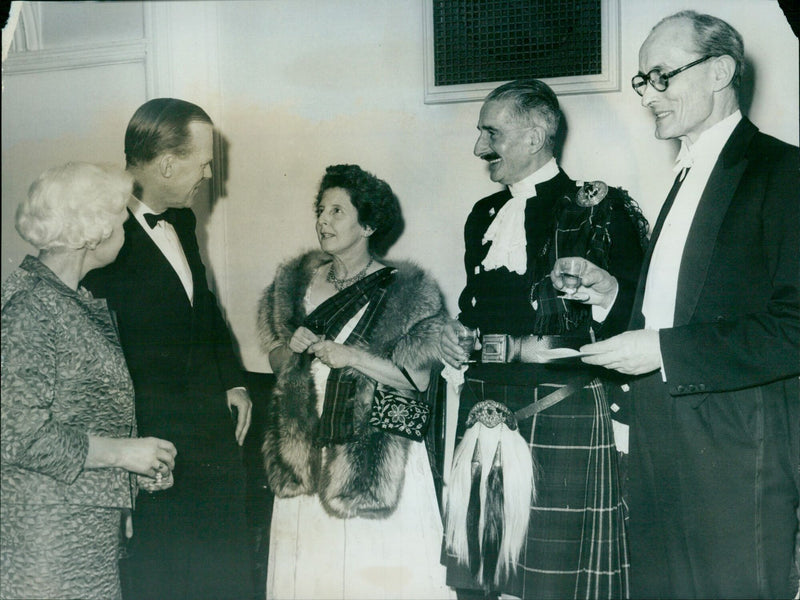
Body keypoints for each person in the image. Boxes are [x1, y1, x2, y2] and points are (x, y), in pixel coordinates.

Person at [560, 11, 800, 599]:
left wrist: (664, 351)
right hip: (659, 434)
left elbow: (795, 326)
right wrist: (615, 296)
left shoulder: (784, 171)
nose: (648, 96)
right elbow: (682, 308)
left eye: (661, 76)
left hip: (738, 449)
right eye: (643, 81)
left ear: (720, 71)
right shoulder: (684, 172)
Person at [438, 79, 648, 600]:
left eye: (492, 132)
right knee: (482, 577)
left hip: (561, 407)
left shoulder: (598, 211)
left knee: (553, 582)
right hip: (484, 406)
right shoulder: (482, 216)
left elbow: (631, 314)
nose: (479, 148)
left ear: (534, 137)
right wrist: (454, 338)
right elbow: (479, 310)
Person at [81, 99, 254, 600]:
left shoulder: (181, 221)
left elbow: (206, 312)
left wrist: (233, 378)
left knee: (223, 576)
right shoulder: (101, 233)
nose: (208, 174)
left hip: (211, 440)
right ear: (167, 163)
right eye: (202, 162)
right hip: (153, 449)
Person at [257, 164, 454, 599]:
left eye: (337, 212)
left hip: (372, 448)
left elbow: (417, 382)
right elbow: (276, 363)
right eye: (321, 209)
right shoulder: (293, 285)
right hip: (306, 446)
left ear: (367, 224)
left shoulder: (408, 291)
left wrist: (351, 357)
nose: (323, 221)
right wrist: (293, 346)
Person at [1, 162, 177, 600]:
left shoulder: (71, 302)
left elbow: (82, 414)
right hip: (45, 539)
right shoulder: (31, 307)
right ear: (92, 232)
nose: (126, 232)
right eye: (121, 222)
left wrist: (136, 471)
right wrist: (124, 454)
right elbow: (18, 434)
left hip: (81, 530)